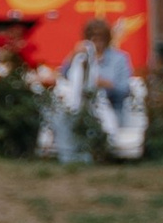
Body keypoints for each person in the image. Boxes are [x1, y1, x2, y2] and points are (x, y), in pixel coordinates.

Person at [50, 17, 140, 162]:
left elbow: (124, 89)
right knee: (60, 117)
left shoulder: (120, 58)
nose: (97, 40)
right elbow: (65, 75)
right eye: (93, 36)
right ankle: (69, 157)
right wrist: (73, 55)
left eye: (101, 36)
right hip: (80, 106)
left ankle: (95, 155)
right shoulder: (82, 56)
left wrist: (102, 83)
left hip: (110, 107)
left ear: (107, 38)